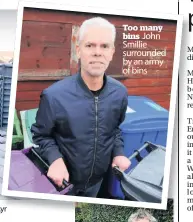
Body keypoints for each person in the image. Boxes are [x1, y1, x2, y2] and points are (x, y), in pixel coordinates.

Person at [31, 16, 131, 197]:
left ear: (112, 52)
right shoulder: (54, 96)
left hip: (96, 182)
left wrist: (118, 153)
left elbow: (114, 130)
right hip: (63, 184)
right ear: (78, 50)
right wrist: (55, 159)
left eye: (104, 46)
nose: (97, 52)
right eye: (90, 45)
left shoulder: (120, 93)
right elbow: (41, 135)